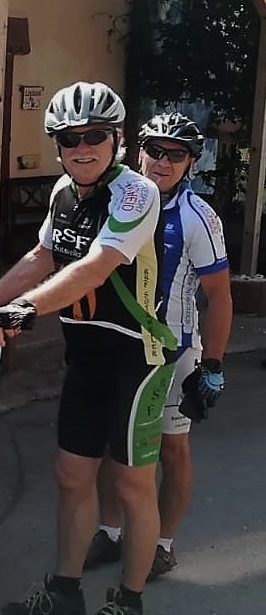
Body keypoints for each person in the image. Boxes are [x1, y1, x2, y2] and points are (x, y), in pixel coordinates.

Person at [0, 82, 174, 615]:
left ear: (116, 139)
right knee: (72, 476)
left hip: (136, 358)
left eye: (95, 136)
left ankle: (128, 601)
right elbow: (43, 255)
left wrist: (24, 310)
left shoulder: (137, 193)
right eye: (70, 138)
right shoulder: (64, 193)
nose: (83, 148)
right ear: (58, 146)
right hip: (86, 356)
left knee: (132, 485)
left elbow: (95, 266)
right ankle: (64, 593)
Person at [83, 113, 231, 582]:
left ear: (191, 163)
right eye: (155, 150)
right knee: (114, 445)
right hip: (120, 344)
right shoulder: (116, 200)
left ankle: (163, 543)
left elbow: (220, 296)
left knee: (172, 449)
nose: (163, 162)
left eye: (176, 154)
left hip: (173, 351)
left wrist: (212, 365)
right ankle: (110, 532)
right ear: (138, 152)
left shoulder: (198, 216)